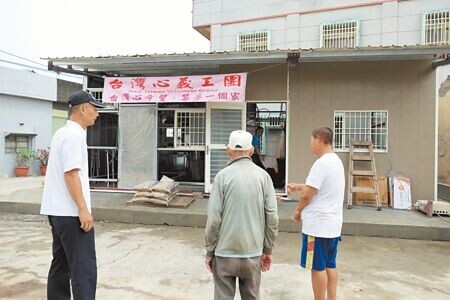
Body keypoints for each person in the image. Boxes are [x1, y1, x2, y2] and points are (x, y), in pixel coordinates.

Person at [40, 90, 106, 300]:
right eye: (95, 109)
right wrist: (83, 209)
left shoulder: (61, 133)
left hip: (56, 212)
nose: (97, 114)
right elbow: (71, 174)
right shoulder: (74, 135)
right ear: (83, 109)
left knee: (60, 265)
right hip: (70, 214)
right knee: (84, 268)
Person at [205, 130, 279, 300]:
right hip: (252, 253)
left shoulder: (222, 177)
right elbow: (272, 217)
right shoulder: (264, 177)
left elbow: (214, 218)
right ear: (252, 151)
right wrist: (267, 249)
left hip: (224, 253)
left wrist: (210, 251)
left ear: (228, 151)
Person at [286, 127, 345, 300]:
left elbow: (307, 194)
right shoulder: (335, 161)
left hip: (317, 227)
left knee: (317, 267)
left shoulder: (321, 163)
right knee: (329, 265)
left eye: (311, 140)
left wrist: (297, 211)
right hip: (333, 226)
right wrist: (298, 186)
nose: (310, 144)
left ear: (318, 139)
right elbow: (318, 188)